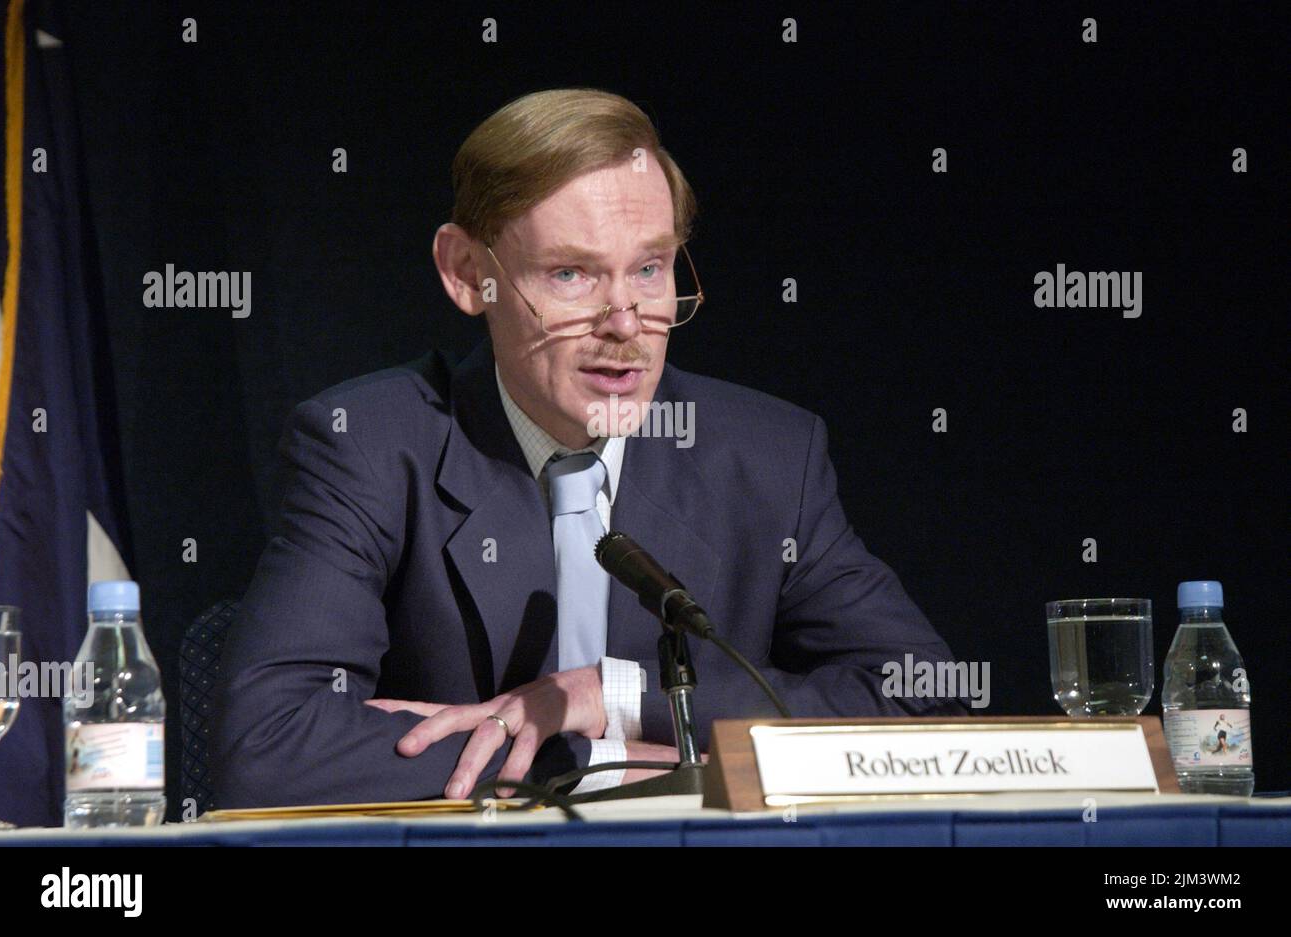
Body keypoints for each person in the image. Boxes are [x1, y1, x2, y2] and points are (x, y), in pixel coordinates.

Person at [211, 88, 967, 808]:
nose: (625, 322)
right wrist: (588, 758)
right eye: (571, 273)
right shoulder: (370, 447)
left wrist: (619, 700)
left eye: (649, 268)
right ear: (469, 275)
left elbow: (927, 700)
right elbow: (265, 746)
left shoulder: (768, 457)